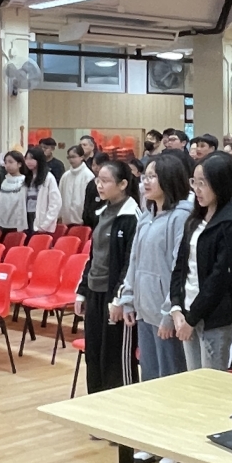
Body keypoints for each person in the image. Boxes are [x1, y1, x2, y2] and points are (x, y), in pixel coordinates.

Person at [170, 151, 232, 463]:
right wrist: (176, 308)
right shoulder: (195, 219)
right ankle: (202, 460)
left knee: (215, 396)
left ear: (220, 183)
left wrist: (192, 316)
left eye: (203, 183)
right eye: (195, 182)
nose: (197, 189)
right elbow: (180, 267)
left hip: (213, 319)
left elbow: (220, 279)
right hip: (187, 315)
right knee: (197, 394)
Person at [119, 152, 192, 463]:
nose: (145, 181)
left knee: (170, 378)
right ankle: (152, 438)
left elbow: (179, 267)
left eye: (152, 176)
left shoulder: (181, 216)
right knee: (149, 377)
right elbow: (134, 262)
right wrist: (128, 298)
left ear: (169, 179)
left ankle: (174, 443)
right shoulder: (147, 214)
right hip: (144, 309)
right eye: (145, 176)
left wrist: (167, 313)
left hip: (165, 314)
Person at [76, 160, 142, 394]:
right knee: (94, 355)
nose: (99, 186)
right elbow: (94, 256)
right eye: (98, 180)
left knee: (115, 360)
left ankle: (121, 409)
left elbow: (130, 264)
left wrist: (119, 299)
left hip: (115, 299)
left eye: (105, 181)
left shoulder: (132, 216)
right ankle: (96, 406)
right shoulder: (102, 212)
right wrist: (82, 291)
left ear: (123, 184)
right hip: (95, 294)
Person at [23, 146, 61, 236]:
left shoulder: (48, 178)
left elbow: (55, 203)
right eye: (26, 159)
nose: (28, 161)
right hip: (27, 218)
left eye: (32, 159)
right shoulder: (26, 178)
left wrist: (45, 224)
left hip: (41, 219)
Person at [0, 150, 29, 238]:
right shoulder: (4, 182)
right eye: (6, 162)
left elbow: (22, 205)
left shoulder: (24, 181)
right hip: (4, 223)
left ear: (19, 164)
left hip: (17, 224)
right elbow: (0, 204)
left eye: (11, 162)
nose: (7, 165)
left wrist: (20, 224)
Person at [59, 145, 94, 226]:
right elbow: (60, 196)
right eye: (69, 157)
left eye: (73, 157)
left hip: (82, 220)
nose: (71, 160)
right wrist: (59, 215)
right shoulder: (65, 176)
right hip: (66, 220)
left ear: (81, 157)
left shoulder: (88, 175)